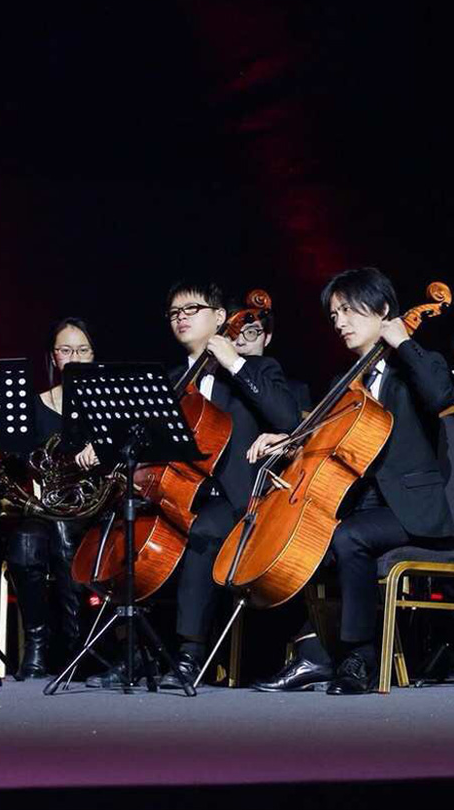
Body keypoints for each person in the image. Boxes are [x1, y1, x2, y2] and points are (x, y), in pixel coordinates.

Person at [247, 267, 454, 695]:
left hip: (411, 509)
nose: (339, 322)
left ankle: (359, 657)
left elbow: (441, 397)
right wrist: (288, 441)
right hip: (360, 503)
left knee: (350, 537)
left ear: (382, 309)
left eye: (348, 311)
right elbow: (319, 443)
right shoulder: (344, 383)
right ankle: (313, 652)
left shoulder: (418, 364)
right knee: (287, 541)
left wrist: (403, 342)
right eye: (334, 315)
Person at [83, 282, 299, 689]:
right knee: (124, 529)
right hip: (177, 492)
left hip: (234, 499)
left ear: (220, 317)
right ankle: (134, 653)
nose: (180, 317)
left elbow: (288, 418)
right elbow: (142, 441)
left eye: (191, 309)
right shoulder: (169, 382)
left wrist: (234, 363)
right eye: (174, 312)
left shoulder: (256, 370)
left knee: (203, 531)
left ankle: (189, 655)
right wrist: (106, 447)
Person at [8, 317, 97, 680]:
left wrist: (102, 449)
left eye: (82, 350)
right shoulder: (34, 406)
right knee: (25, 544)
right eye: (66, 350)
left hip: (92, 508)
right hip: (44, 507)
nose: (74, 357)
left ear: (93, 356)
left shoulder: (108, 404)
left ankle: (76, 646)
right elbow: (19, 463)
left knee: (64, 535)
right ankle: (37, 645)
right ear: (53, 357)